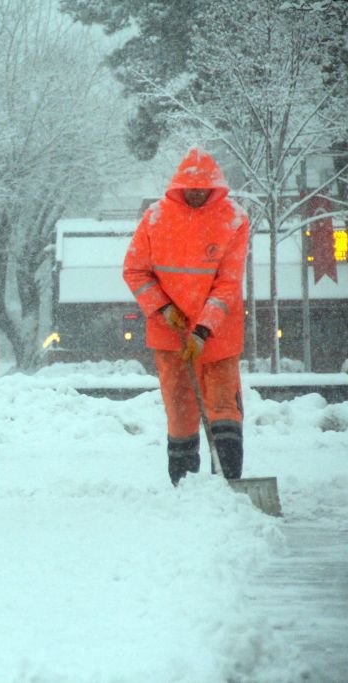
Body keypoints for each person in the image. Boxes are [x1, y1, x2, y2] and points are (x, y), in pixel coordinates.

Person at [123, 147, 249, 486]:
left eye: (202, 188)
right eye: (190, 187)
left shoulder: (233, 219)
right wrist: (164, 309)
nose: (195, 193)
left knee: (224, 410)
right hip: (171, 335)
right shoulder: (155, 218)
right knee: (180, 415)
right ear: (179, 185)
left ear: (213, 186)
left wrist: (203, 329)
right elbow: (134, 270)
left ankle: (229, 484)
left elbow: (228, 283)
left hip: (219, 336)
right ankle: (184, 486)